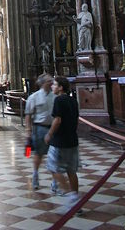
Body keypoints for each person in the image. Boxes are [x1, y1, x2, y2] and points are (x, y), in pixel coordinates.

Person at [44, 76, 81, 214]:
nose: (52, 87)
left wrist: (49, 134)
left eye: (54, 85)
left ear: (60, 87)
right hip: (72, 140)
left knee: (53, 168)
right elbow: (76, 120)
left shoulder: (58, 100)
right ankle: (76, 199)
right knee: (71, 171)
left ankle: (71, 197)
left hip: (60, 141)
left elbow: (57, 120)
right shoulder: (73, 100)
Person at [25, 74, 57, 192]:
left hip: (53, 128)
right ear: (43, 83)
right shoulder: (34, 97)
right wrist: (28, 132)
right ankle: (35, 174)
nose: (51, 82)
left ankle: (55, 181)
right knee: (39, 153)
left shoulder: (55, 96)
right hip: (40, 128)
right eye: (49, 81)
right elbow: (28, 115)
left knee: (55, 155)